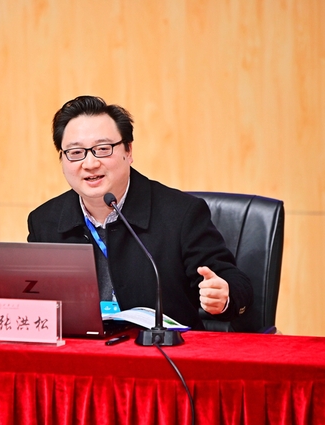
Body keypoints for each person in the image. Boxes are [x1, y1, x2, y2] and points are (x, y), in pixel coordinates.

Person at [27, 95, 252, 330]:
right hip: (81, 348)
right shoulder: (44, 221)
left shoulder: (181, 214)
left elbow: (235, 282)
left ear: (129, 151)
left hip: (162, 348)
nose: (90, 163)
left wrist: (222, 296)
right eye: (75, 152)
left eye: (103, 149)